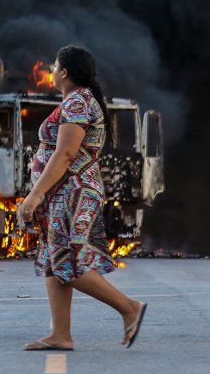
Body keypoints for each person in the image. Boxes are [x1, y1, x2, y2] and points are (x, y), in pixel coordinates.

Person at [17, 45, 146, 350]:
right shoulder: (78, 100)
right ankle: (61, 334)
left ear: (64, 72)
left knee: (68, 262)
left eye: (54, 65)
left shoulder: (77, 103)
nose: (50, 69)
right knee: (53, 261)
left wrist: (34, 196)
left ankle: (129, 307)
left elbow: (65, 154)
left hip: (71, 192)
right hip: (63, 192)